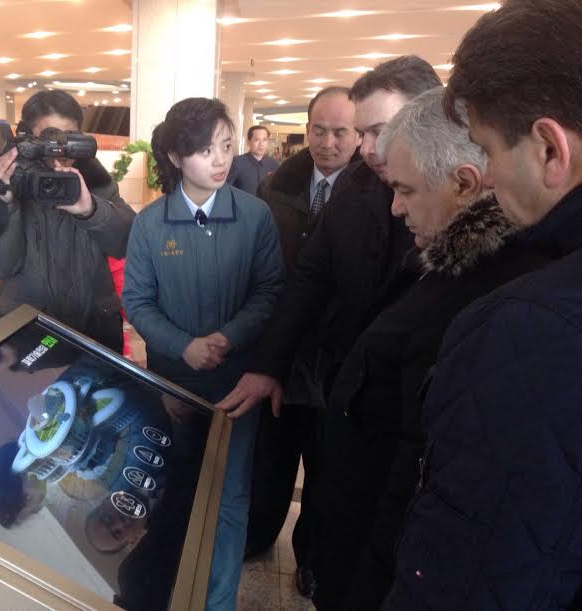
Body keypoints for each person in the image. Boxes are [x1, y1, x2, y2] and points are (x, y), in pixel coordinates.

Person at [309, 86, 552, 611]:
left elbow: (413, 478)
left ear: (464, 184)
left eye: (405, 190)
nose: (395, 207)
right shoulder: (446, 260)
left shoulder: (483, 301)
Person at [216, 55, 442, 598]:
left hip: (418, 405)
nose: (367, 148)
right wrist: (268, 366)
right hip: (344, 377)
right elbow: (309, 281)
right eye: (364, 133)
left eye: (378, 131)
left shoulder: (465, 197)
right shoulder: (356, 187)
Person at [385, 2, 582, 609]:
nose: (488, 180)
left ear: (550, 149)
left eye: (489, 151)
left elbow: (467, 574)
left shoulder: (526, 327)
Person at [122, 97, 284, 610]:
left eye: (227, 146)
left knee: (230, 498)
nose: (220, 160)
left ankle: (218, 603)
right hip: (173, 383)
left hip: (236, 387)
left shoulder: (255, 216)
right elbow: (137, 301)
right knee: (171, 491)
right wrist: (183, 347)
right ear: (175, 156)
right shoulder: (150, 224)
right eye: (205, 150)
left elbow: (269, 290)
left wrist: (228, 337)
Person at [244, 86, 361, 558]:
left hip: (338, 355)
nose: (328, 143)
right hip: (282, 347)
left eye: (341, 132)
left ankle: (311, 555)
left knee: (326, 464)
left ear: (359, 134)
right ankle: (258, 536)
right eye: (319, 130)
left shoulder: (375, 191)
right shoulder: (276, 186)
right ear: (306, 129)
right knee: (272, 455)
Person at [0, 90, 135, 353]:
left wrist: (91, 210)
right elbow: (2, 266)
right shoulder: (6, 181)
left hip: (95, 332)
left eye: (69, 138)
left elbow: (127, 241)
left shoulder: (97, 181)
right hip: (29, 334)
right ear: (27, 138)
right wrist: (6, 203)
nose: (60, 151)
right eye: (50, 138)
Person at [227, 125, 279, 195]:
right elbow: (226, 188)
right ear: (248, 142)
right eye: (257, 140)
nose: (261, 144)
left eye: (264, 140)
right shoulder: (237, 162)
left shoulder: (274, 164)